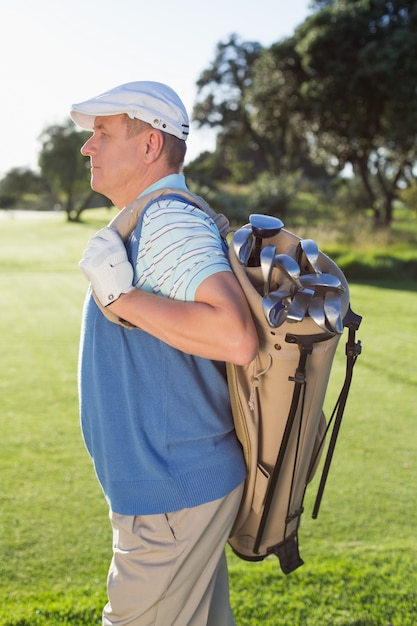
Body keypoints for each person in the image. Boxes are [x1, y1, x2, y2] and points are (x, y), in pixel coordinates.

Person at [70, 81, 258, 626]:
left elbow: (234, 336)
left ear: (150, 145)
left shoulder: (167, 220)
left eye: (103, 133)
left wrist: (119, 296)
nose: (88, 146)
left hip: (170, 496)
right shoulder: (151, 217)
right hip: (177, 488)